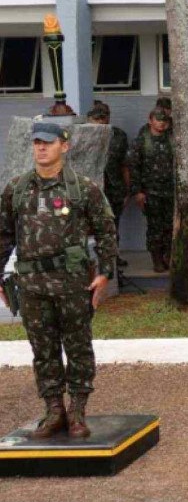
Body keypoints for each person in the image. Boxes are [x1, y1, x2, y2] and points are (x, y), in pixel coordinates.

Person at [0, 122, 117, 439]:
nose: (41, 147)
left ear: (64, 146)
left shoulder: (82, 188)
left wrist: (105, 273)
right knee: (43, 350)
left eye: (48, 143)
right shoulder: (17, 188)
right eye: (37, 142)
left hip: (72, 283)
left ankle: (77, 411)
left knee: (78, 348)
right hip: (32, 285)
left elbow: (106, 231)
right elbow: (4, 236)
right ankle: (54, 411)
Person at [128, 108, 176, 273]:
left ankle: (168, 257)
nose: (161, 123)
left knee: (170, 226)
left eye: (164, 120)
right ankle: (157, 259)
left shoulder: (172, 140)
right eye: (158, 119)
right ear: (150, 120)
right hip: (151, 192)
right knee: (155, 227)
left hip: (170, 191)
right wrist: (138, 192)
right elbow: (133, 168)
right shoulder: (141, 141)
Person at [86, 101, 128, 271]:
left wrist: (127, 190)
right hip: (92, 190)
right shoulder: (84, 136)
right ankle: (95, 259)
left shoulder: (118, 135)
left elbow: (124, 164)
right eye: (97, 118)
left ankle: (113, 257)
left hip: (114, 188)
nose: (101, 121)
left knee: (113, 224)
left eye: (104, 117)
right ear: (90, 119)